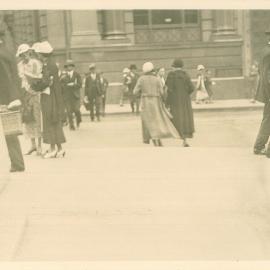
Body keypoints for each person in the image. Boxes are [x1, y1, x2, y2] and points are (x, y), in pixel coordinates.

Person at [31, 41, 66, 158]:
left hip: (49, 96)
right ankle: (59, 148)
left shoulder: (48, 65)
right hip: (52, 95)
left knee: (49, 121)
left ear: (43, 54)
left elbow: (46, 82)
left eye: (39, 53)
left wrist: (34, 85)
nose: (38, 55)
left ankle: (52, 148)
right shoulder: (51, 64)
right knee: (54, 120)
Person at [133, 62, 179, 146]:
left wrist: (142, 94)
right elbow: (162, 92)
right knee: (157, 121)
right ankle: (158, 138)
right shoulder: (157, 79)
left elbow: (135, 92)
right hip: (156, 102)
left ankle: (153, 139)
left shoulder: (141, 79)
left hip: (145, 103)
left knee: (148, 122)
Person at [0, 27, 25, 172]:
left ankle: (17, 164)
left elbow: (6, 79)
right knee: (11, 134)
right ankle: (18, 163)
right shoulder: (7, 52)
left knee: (10, 133)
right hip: (10, 99)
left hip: (4, 100)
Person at [17, 43, 43, 156]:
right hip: (25, 93)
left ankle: (39, 145)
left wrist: (30, 78)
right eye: (22, 55)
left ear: (30, 52)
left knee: (37, 118)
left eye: (26, 53)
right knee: (28, 118)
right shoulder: (19, 65)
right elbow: (19, 78)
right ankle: (32, 144)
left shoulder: (35, 63)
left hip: (35, 92)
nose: (24, 56)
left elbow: (38, 77)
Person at [166, 57, 195, 147]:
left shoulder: (171, 75)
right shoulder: (185, 75)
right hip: (185, 101)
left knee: (176, 119)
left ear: (174, 67)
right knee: (185, 119)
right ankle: (184, 140)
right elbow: (192, 88)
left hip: (175, 101)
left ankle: (177, 137)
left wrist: (167, 102)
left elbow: (169, 90)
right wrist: (185, 94)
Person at [253, 30, 270, 158]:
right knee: (268, 120)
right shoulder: (268, 52)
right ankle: (261, 147)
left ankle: (259, 146)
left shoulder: (265, 51)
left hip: (267, 92)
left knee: (267, 120)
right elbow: (268, 76)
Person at [61, 59, 82, 130]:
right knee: (69, 111)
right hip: (67, 96)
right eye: (67, 67)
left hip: (75, 96)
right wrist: (65, 85)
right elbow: (61, 85)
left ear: (73, 67)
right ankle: (71, 125)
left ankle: (78, 120)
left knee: (76, 110)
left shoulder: (77, 75)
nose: (69, 68)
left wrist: (73, 85)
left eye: (70, 66)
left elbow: (80, 84)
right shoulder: (63, 76)